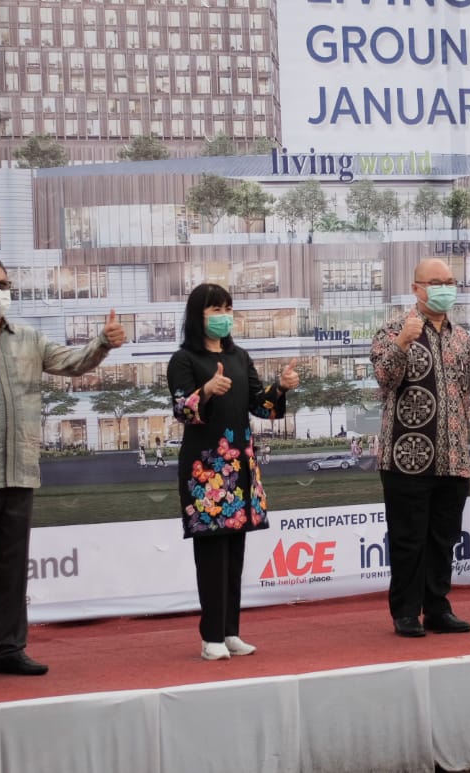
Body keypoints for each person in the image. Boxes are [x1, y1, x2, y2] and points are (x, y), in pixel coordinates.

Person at [0, 256, 125, 683]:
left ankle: (9, 649)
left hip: (20, 472)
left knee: (13, 570)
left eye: (3, 283)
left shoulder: (30, 338)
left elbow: (74, 363)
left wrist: (103, 342)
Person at [370, 257, 470, 637]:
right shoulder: (392, 330)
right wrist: (401, 344)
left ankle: (438, 608)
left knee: (444, 539)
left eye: (449, 281)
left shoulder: (461, 337)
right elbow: (384, 378)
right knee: (409, 540)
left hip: (453, 457)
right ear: (416, 288)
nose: (444, 288)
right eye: (435, 282)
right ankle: (406, 612)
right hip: (407, 457)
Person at [167, 283, 299, 661]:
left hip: (241, 468)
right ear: (197, 316)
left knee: (235, 554)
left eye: (227, 308)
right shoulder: (183, 360)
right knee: (212, 555)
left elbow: (262, 407)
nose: (224, 315)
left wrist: (281, 388)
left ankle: (230, 632)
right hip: (206, 472)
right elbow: (183, 411)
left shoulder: (239, 356)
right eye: (215, 310)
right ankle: (210, 637)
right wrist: (206, 390)